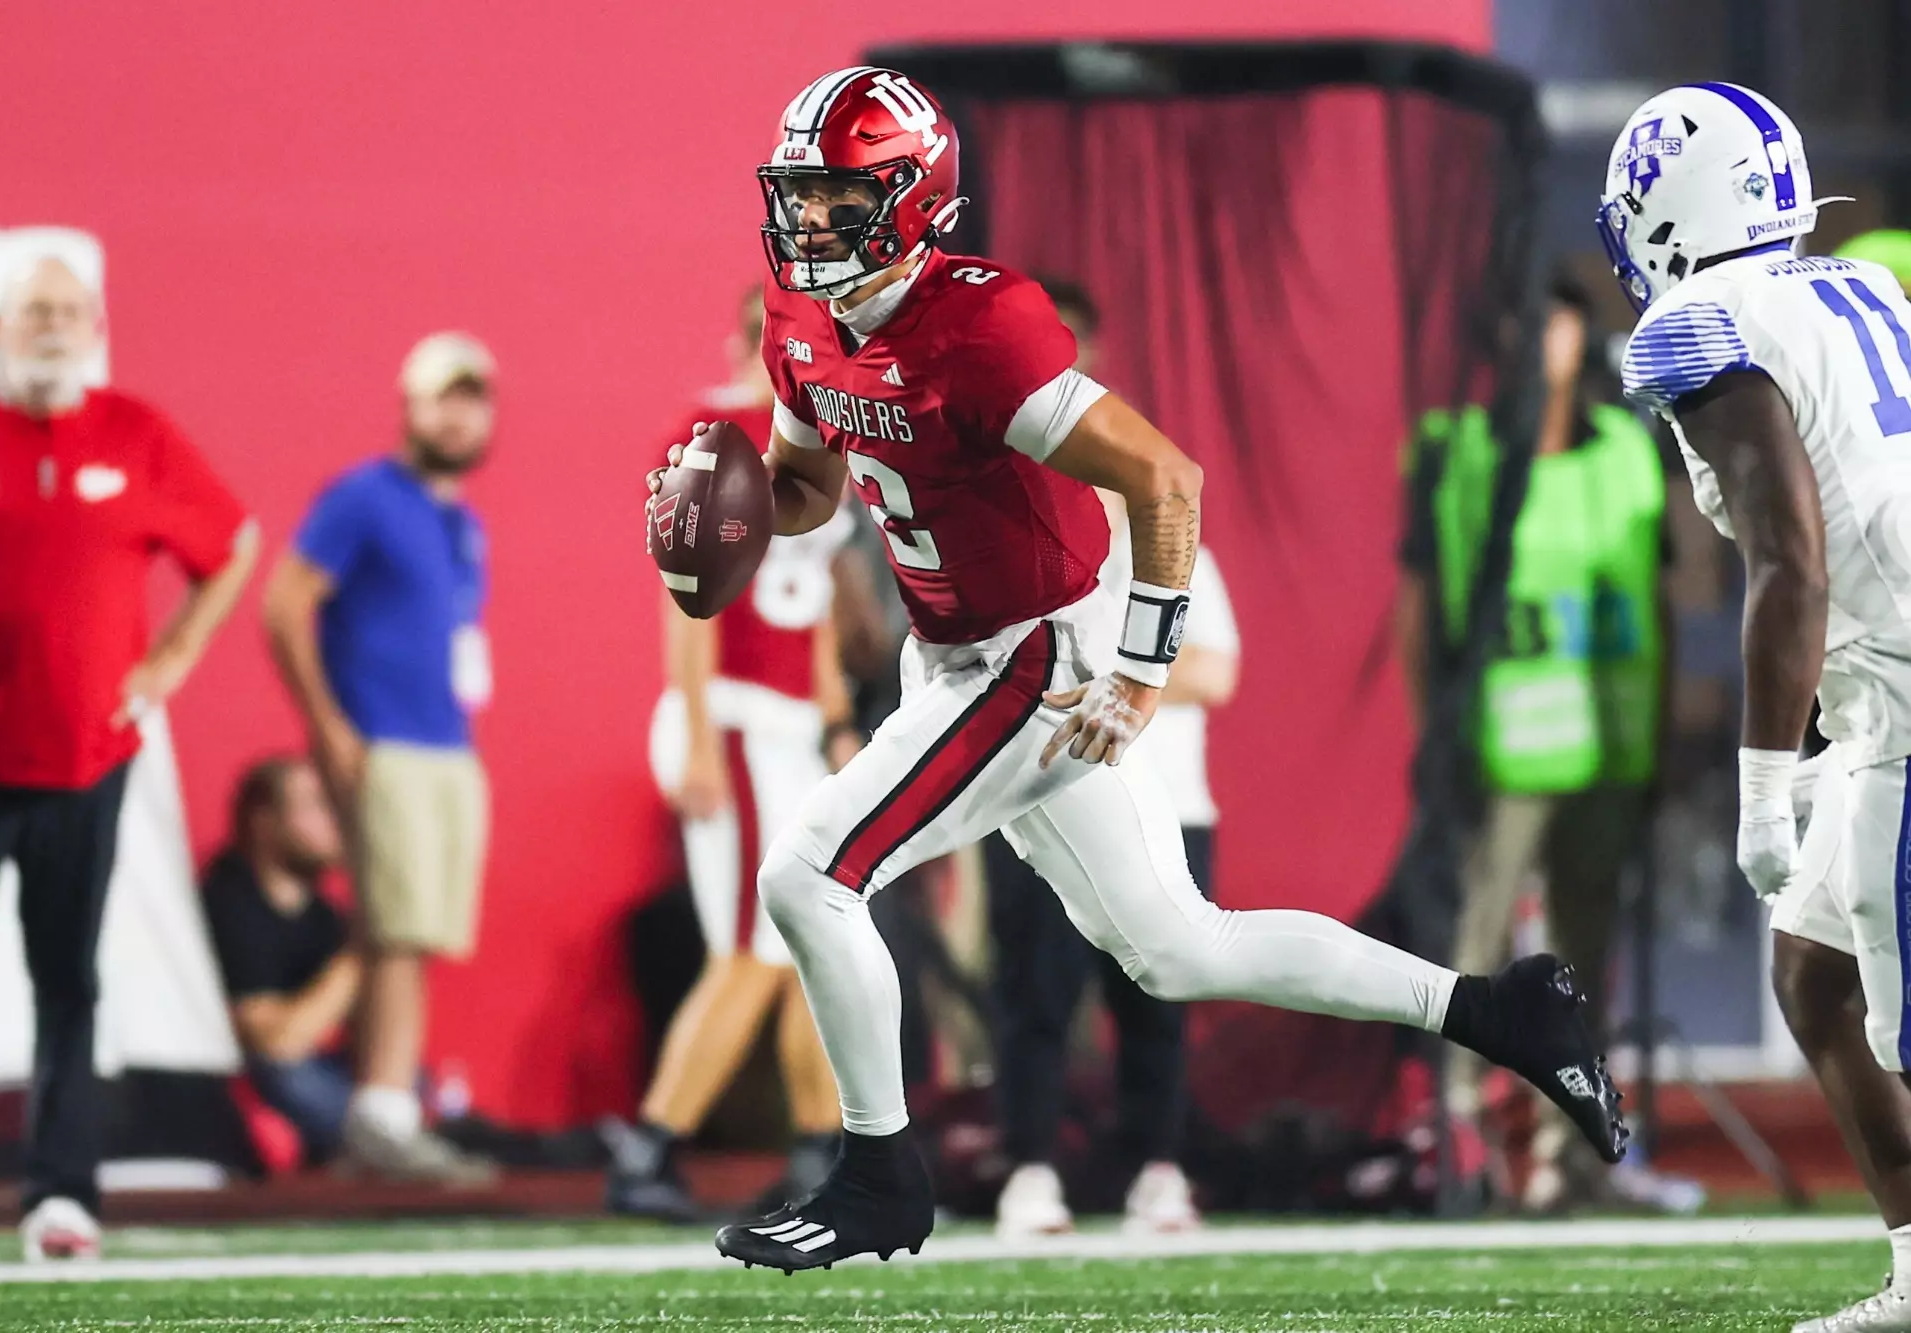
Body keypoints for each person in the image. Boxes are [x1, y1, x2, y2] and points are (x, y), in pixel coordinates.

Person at [646, 65, 1625, 1274]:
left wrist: (1142, 667)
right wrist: (730, 507)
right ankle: (1495, 1009)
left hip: (1026, 657)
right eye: (798, 197)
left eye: (838, 198)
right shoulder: (801, 320)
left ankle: (876, 1172)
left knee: (805, 876)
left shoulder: (980, 322)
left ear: (911, 200)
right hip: (944, 654)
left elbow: (1163, 481)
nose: (807, 224)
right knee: (1174, 945)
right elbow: (809, 488)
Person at [1600, 83, 1911, 1333]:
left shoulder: (1698, 322)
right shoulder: (1858, 286)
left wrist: (1759, 784)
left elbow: (1789, 565)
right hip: (1881, 686)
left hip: (1899, 701)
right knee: (1812, 974)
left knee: (1899, 1029)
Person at [0, 256, 258, 1260]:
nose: (54, 325)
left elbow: (232, 540)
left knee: (69, 985)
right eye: (36, 311)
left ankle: (61, 1199)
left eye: (69, 311)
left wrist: (174, 657)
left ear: (95, 323)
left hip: (85, 760)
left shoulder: (135, 433)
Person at [1396, 273, 1669, 1212]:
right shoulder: (1461, 451)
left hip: (1609, 744)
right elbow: (1419, 601)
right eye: (1527, 318)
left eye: (1559, 319)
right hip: (1501, 745)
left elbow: (1663, 589)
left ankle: (1573, 1155)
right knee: (1475, 948)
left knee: (1584, 957)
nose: (1541, 337)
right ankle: (1457, 1142)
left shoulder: (1628, 451)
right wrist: (1431, 722)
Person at [984, 278, 1241, 1237]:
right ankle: (1031, 1171)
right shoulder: (1007, 526)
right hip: (1035, 795)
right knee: (1034, 994)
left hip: (1166, 795)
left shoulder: (1162, 516)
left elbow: (1215, 662)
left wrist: (1126, 684)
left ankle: (1159, 1168)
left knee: (1164, 986)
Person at [609, 289, 858, 1221]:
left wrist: (836, 719)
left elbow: (819, 599)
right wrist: (701, 728)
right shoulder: (715, 429)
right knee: (755, 949)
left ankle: (815, 1153)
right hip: (738, 716)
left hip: (791, 724)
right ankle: (648, 1147)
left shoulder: (827, 440)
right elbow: (689, 590)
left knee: (807, 950)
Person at [263, 332, 497, 1185]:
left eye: (473, 398)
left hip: (445, 745)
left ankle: (388, 1103)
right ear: (409, 406)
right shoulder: (362, 497)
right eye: (444, 397)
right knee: (395, 929)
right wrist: (329, 726)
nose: (459, 415)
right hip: (385, 742)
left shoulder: (460, 521)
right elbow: (286, 605)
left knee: (418, 930)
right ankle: (382, 1109)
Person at [203, 758, 361, 1164]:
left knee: (400, 1085)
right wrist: (361, 959)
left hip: (315, 1070)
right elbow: (273, 1043)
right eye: (317, 806)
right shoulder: (226, 901)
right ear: (264, 821)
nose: (336, 821)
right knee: (289, 1076)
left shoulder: (325, 918)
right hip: (232, 1083)